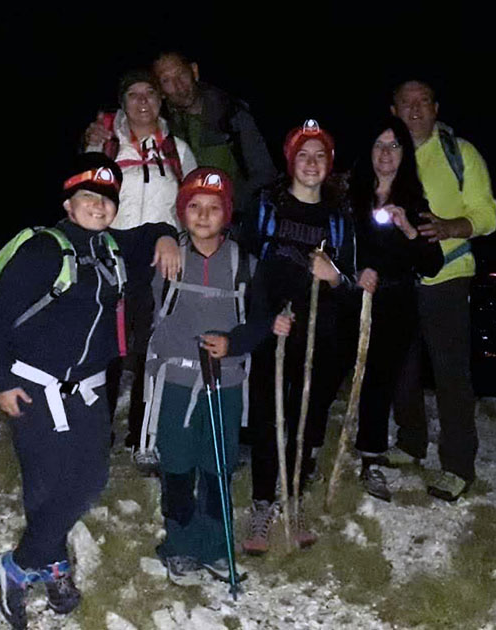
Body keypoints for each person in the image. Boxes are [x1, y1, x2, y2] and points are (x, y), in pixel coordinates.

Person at [0, 154, 179, 629]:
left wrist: (167, 235)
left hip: (88, 390)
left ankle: (18, 564)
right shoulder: (45, 250)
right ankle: (49, 563)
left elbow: (148, 232)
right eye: (88, 197)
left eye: (107, 200)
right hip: (32, 386)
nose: (98, 206)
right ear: (69, 204)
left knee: (88, 478)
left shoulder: (111, 248)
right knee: (46, 484)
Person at [145, 167, 293, 578]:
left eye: (214, 207)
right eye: (194, 206)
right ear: (182, 213)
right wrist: (160, 236)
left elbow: (261, 321)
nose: (204, 215)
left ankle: (212, 545)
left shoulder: (245, 263)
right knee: (176, 463)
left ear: (227, 214)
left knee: (216, 465)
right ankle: (179, 542)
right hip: (175, 381)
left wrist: (234, 343)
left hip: (224, 382)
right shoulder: (167, 256)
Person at [238, 119, 358, 555]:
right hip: (275, 325)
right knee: (271, 414)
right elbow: (248, 263)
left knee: (308, 417)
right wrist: (263, 319)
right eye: (303, 155)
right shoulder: (267, 204)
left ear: (330, 164)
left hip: (321, 331)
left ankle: (296, 496)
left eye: (320, 155)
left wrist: (334, 276)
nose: (312, 163)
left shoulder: (339, 214)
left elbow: (351, 281)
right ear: (291, 161)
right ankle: (263, 502)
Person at [390, 79, 496, 501]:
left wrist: (449, 227)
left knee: (451, 374)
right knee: (401, 366)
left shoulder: (461, 153)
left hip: (449, 275)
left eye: (422, 102)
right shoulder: (386, 154)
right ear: (393, 110)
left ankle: (458, 466)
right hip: (400, 279)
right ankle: (411, 441)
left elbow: (487, 214)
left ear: (436, 107)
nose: (415, 110)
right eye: (406, 103)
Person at [81, 70, 197, 468]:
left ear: (161, 101)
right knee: (106, 345)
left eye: (150, 93)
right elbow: (85, 203)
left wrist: (173, 235)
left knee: (153, 346)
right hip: (112, 249)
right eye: (134, 94)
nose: (143, 101)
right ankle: (96, 433)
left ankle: (143, 434)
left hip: (162, 252)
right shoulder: (104, 145)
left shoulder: (178, 150)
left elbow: (193, 208)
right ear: (122, 102)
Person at [347, 117, 444, 502]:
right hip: (351, 299)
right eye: (379, 144)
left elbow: (432, 264)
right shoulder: (348, 196)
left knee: (380, 382)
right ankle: (311, 449)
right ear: (368, 151)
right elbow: (335, 246)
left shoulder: (415, 204)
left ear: (404, 154)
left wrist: (408, 231)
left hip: (396, 304)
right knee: (330, 370)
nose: (386, 153)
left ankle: (371, 457)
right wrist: (354, 273)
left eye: (394, 146)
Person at [152, 51, 276, 214]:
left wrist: (226, 208)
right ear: (160, 90)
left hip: (233, 221)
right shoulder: (159, 126)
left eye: (181, 74)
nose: (179, 86)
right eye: (167, 80)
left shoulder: (231, 115)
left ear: (194, 71)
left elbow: (264, 173)